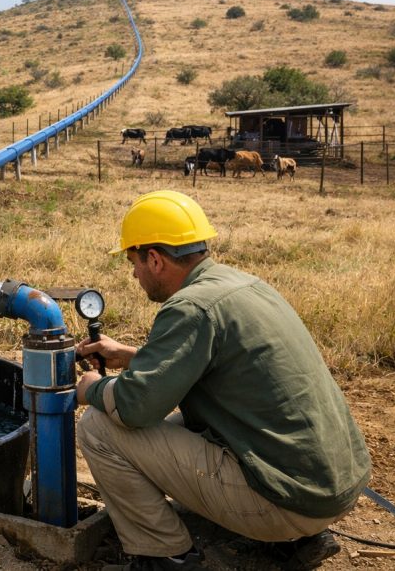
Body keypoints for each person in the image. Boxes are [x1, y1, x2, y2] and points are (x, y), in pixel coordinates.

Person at [75, 190, 371, 571]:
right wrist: (134, 356)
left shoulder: (189, 307)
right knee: (180, 421)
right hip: (330, 486)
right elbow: (221, 367)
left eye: (133, 261)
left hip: (287, 502)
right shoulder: (241, 285)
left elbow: (134, 407)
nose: (133, 273)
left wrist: (92, 388)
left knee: (100, 426)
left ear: (154, 258)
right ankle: (296, 538)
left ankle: (164, 555)